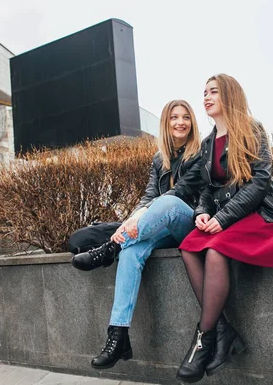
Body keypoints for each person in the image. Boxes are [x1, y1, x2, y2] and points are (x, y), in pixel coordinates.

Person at [176, 74, 273, 383]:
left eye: (213, 92)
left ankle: (202, 341)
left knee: (216, 249)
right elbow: (207, 189)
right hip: (227, 217)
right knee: (189, 246)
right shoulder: (207, 144)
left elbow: (259, 182)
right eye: (204, 92)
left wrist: (224, 218)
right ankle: (223, 330)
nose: (206, 97)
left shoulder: (251, 129)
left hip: (261, 213)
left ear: (229, 96)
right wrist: (203, 214)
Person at [71, 100, 204, 369]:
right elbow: (148, 196)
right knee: (131, 252)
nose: (180, 122)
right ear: (166, 123)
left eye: (186, 117)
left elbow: (179, 194)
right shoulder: (159, 159)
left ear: (192, 123)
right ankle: (118, 336)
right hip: (162, 226)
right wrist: (130, 221)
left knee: (168, 203)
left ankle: (108, 250)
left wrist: (138, 219)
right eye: (174, 118)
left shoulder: (200, 154)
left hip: (190, 224)